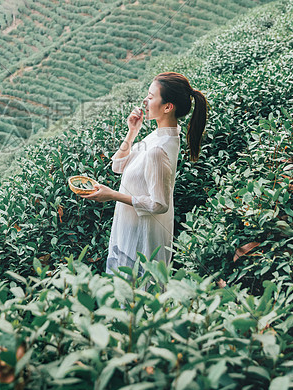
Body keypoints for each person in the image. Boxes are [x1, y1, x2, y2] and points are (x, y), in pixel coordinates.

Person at [84, 72, 208, 273]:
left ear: (168, 107)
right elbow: (118, 166)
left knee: (134, 297)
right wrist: (132, 132)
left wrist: (111, 195)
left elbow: (159, 204)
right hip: (129, 229)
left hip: (140, 239)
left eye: (151, 97)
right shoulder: (158, 135)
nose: (145, 101)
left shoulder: (158, 149)